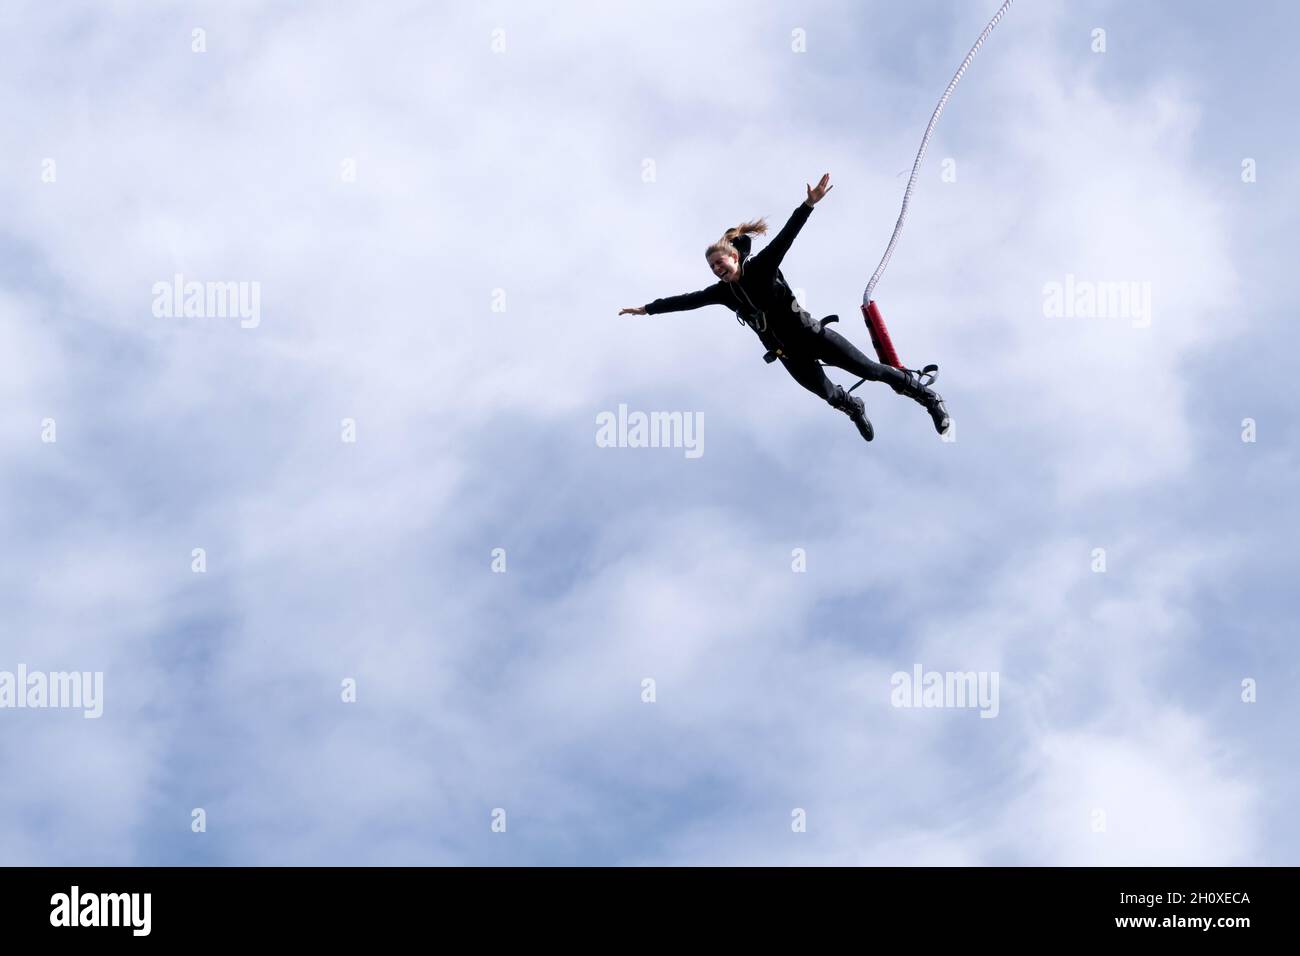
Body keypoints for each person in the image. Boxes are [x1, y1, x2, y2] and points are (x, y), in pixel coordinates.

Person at [620, 174, 950, 442]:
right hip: (787, 354)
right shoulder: (723, 293)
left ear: (734, 257)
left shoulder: (762, 267)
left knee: (872, 371)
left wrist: (808, 204)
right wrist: (648, 309)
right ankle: (853, 406)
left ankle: (928, 398)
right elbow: (686, 301)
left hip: (814, 337)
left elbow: (786, 236)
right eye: (713, 268)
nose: (717, 270)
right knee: (829, 395)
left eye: (720, 263)